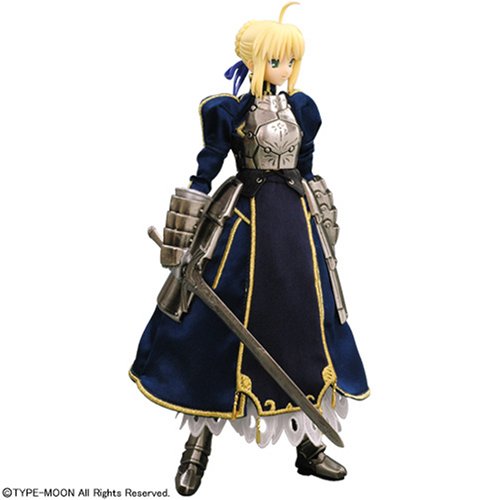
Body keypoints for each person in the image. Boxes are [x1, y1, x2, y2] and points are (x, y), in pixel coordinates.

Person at [130, 3, 369, 496]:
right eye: (276, 61)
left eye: (291, 61)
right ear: (254, 60)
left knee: (303, 327)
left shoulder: (302, 109)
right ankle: (197, 446)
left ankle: (307, 444)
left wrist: (324, 222)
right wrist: (182, 236)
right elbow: (206, 169)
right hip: (242, 223)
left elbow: (307, 166)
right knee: (211, 334)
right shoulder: (229, 111)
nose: (284, 69)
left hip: (295, 230)